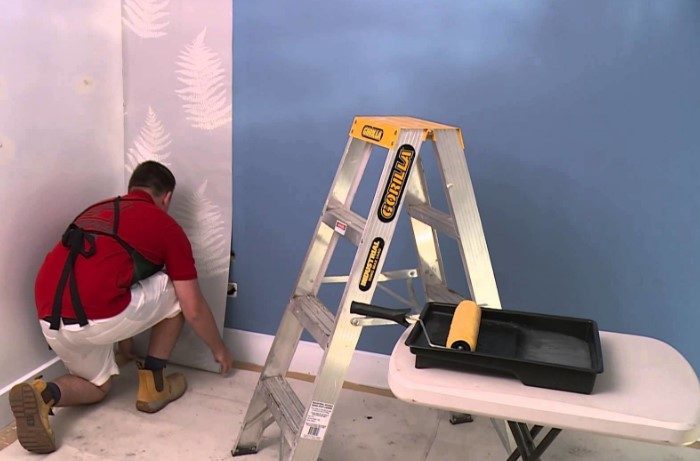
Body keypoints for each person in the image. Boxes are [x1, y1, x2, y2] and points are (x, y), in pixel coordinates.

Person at [9, 161, 235, 454]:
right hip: (97, 316)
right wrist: (219, 349)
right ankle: (154, 385)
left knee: (97, 386)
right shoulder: (165, 225)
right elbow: (193, 308)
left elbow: (111, 270)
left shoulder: (96, 210)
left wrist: (126, 342)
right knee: (178, 291)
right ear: (166, 197)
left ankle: (45, 394)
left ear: (131, 189)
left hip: (49, 316)